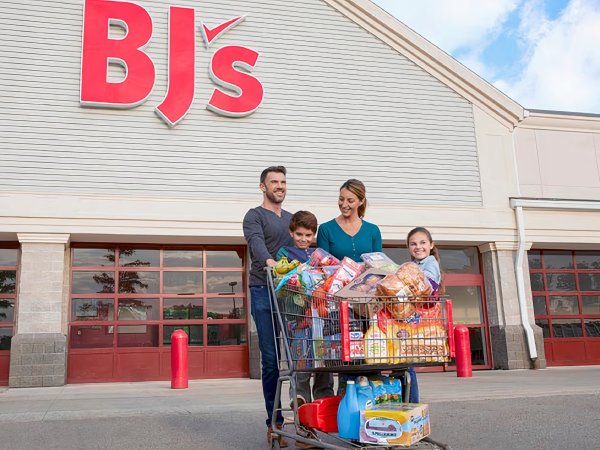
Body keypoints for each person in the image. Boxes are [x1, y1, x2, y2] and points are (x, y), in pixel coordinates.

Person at [316, 179, 382, 395]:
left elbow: (378, 264)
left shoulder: (372, 230)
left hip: (366, 302)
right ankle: (346, 399)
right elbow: (322, 264)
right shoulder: (326, 229)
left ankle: (371, 398)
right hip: (338, 303)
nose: (344, 204)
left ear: (361, 201)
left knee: (370, 353)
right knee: (344, 355)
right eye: (341, 199)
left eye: (350, 200)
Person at [243, 165, 292, 448]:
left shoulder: (291, 219)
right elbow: (256, 243)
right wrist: (269, 262)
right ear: (263, 186)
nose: (280, 186)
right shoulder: (255, 216)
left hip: (289, 295)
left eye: (283, 182)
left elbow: (304, 244)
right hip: (263, 289)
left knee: (299, 360)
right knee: (272, 361)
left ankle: (306, 417)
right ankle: (274, 423)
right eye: (274, 182)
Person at [275, 211, 335, 413]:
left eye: (308, 235)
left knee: (323, 361)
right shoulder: (285, 253)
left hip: (321, 317)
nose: (303, 239)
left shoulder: (319, 254)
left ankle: (324, 399)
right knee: (301, 360)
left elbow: (329, 277)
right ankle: (300, 399)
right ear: (292, 232)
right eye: (299, 234)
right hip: (298, 318)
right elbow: (281, 275)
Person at [404, 226, 444, 403]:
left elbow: (426, 283)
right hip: (412, 318)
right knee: (403, 362)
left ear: (431, 245)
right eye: (413, 244)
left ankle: (411, 403)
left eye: (422, 243)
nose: (418, 247)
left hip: (423, 319)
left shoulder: (430, 263)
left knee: (407, 363)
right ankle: (405, 402)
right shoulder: (412, 265)